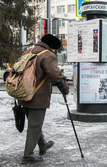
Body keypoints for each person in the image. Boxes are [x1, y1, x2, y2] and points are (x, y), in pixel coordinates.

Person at [19, 34, 69, 165]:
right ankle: (28, 156)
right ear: (52, 47)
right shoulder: (47, 55)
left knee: (35, 123)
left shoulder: (28, 51)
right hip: (37, 95)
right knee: (35, 125)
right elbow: (55, 75)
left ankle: (43, 145)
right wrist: (65, 89)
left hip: (24, 93)